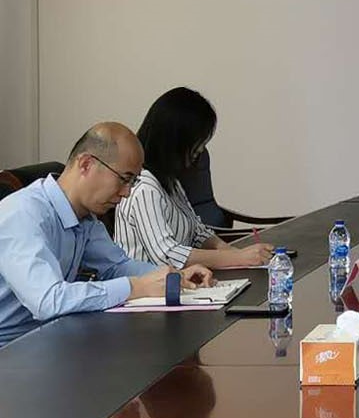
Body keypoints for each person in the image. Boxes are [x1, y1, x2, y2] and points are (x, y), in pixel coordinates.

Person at [0, 123, 214, 347]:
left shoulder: (84, 217)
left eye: (133, 182)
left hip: (47, 339)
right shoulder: (23, 214)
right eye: (124, 179)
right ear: (86, 164)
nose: (127, 192)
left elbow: (116, 266)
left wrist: (173, 276)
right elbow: (48, 300)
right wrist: (134, 287)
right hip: (10, 351)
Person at [115, 88, 272, 269]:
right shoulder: (143, 187)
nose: (200, 150)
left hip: (180, 279)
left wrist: (231, 251)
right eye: (198, 142)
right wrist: (238, 258)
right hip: (149, 284)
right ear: (177, 141)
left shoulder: (170, 181)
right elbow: (168, 255)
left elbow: (197, 231)